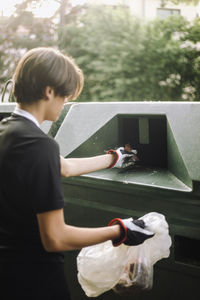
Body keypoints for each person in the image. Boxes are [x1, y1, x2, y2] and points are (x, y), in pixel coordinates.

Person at [0, 47, 154, 300]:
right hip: (36, 280)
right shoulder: (40, 145)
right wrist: (121, 230)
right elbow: (55, 238)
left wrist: (114, 158)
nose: (65, 103)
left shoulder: (8, 131)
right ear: (49, 91)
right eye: (65, 97)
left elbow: (64, 167)